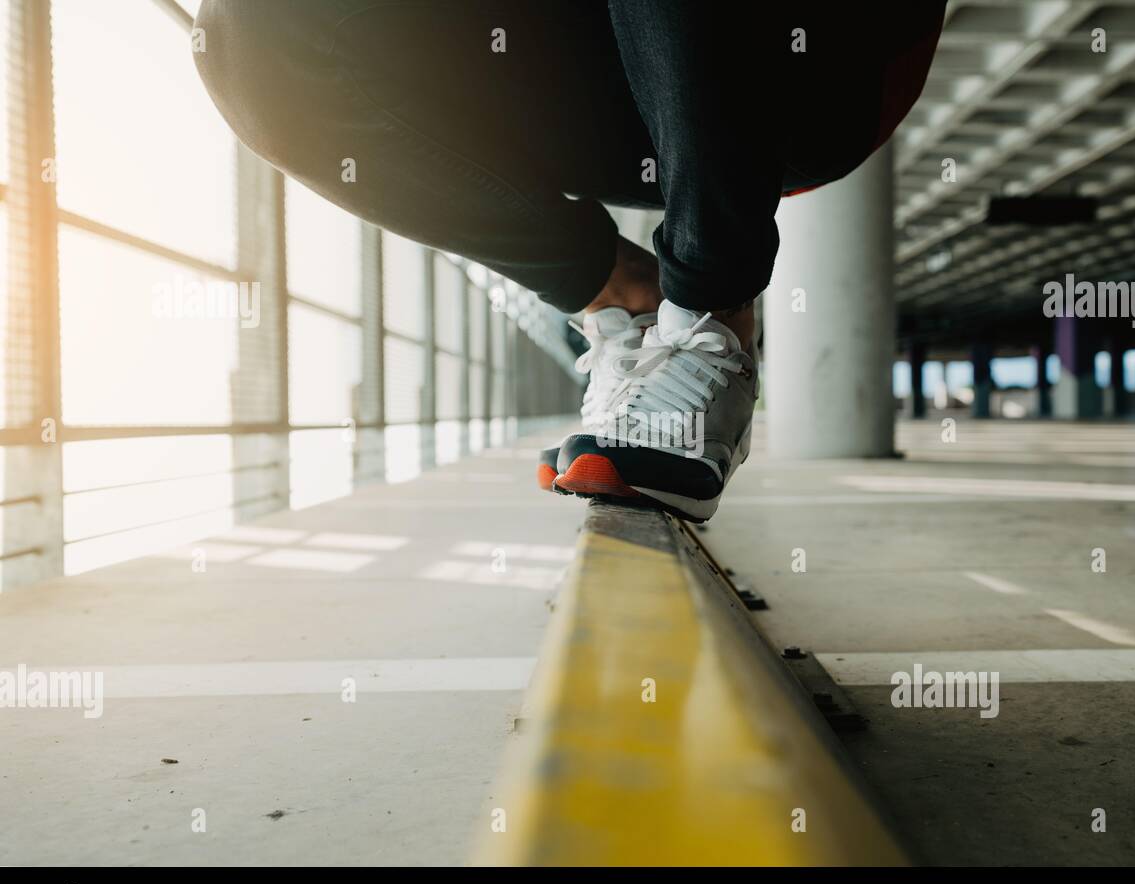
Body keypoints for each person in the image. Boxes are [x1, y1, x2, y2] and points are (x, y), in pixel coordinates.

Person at [194, 1, 945, 521]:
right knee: (254, 34)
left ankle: (712, 314)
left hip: (816, 55)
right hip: (604, 64)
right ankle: (622, 294)